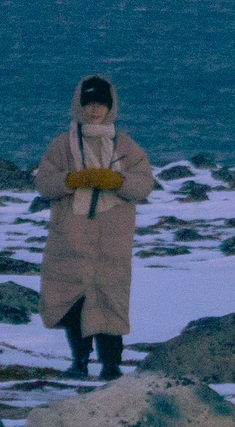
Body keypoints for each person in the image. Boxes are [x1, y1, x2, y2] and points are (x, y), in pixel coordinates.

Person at [33, 73, 156, 379]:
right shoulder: (62, 146)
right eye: (89, 103)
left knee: (110, 300)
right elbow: (44, 182)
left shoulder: (125, 146)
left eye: (101, 103)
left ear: (110, 106)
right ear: (80, 105)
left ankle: (112, 366)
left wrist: (118, 181)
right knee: (75, 302)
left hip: (112, 238)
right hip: (71, 237)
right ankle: (79, 362)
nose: (95, 109)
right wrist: (70, 180)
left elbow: (144, 183)